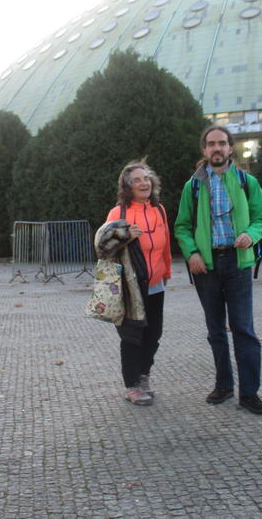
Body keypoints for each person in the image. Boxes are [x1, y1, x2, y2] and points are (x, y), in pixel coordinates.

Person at [174, 126, 262, 414]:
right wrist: (191, 253)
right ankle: (224, 385)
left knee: (244, 329)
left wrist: (251, 235)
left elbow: (261, 217)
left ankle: (250, 393)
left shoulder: (246, 181)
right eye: (211, 144)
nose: (216, 148)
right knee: (216, 330)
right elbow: (182, 226)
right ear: (204, 150)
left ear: (231, 148)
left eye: (222, 143)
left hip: (238, 263)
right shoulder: (192, 186)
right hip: (207, 266)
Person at [105, 161, 172, 405]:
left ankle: (144, 376)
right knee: (133, 335)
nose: (143, 183)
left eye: (146, 178)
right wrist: (124, 236)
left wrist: (167, 271)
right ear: (127, 186)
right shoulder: (118, 213)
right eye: (136, 180)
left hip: (156, 284)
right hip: (130, 288)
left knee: (154, 334)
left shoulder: (160, 210)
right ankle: (132, 385)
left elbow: (166, 244)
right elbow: (104, 249)